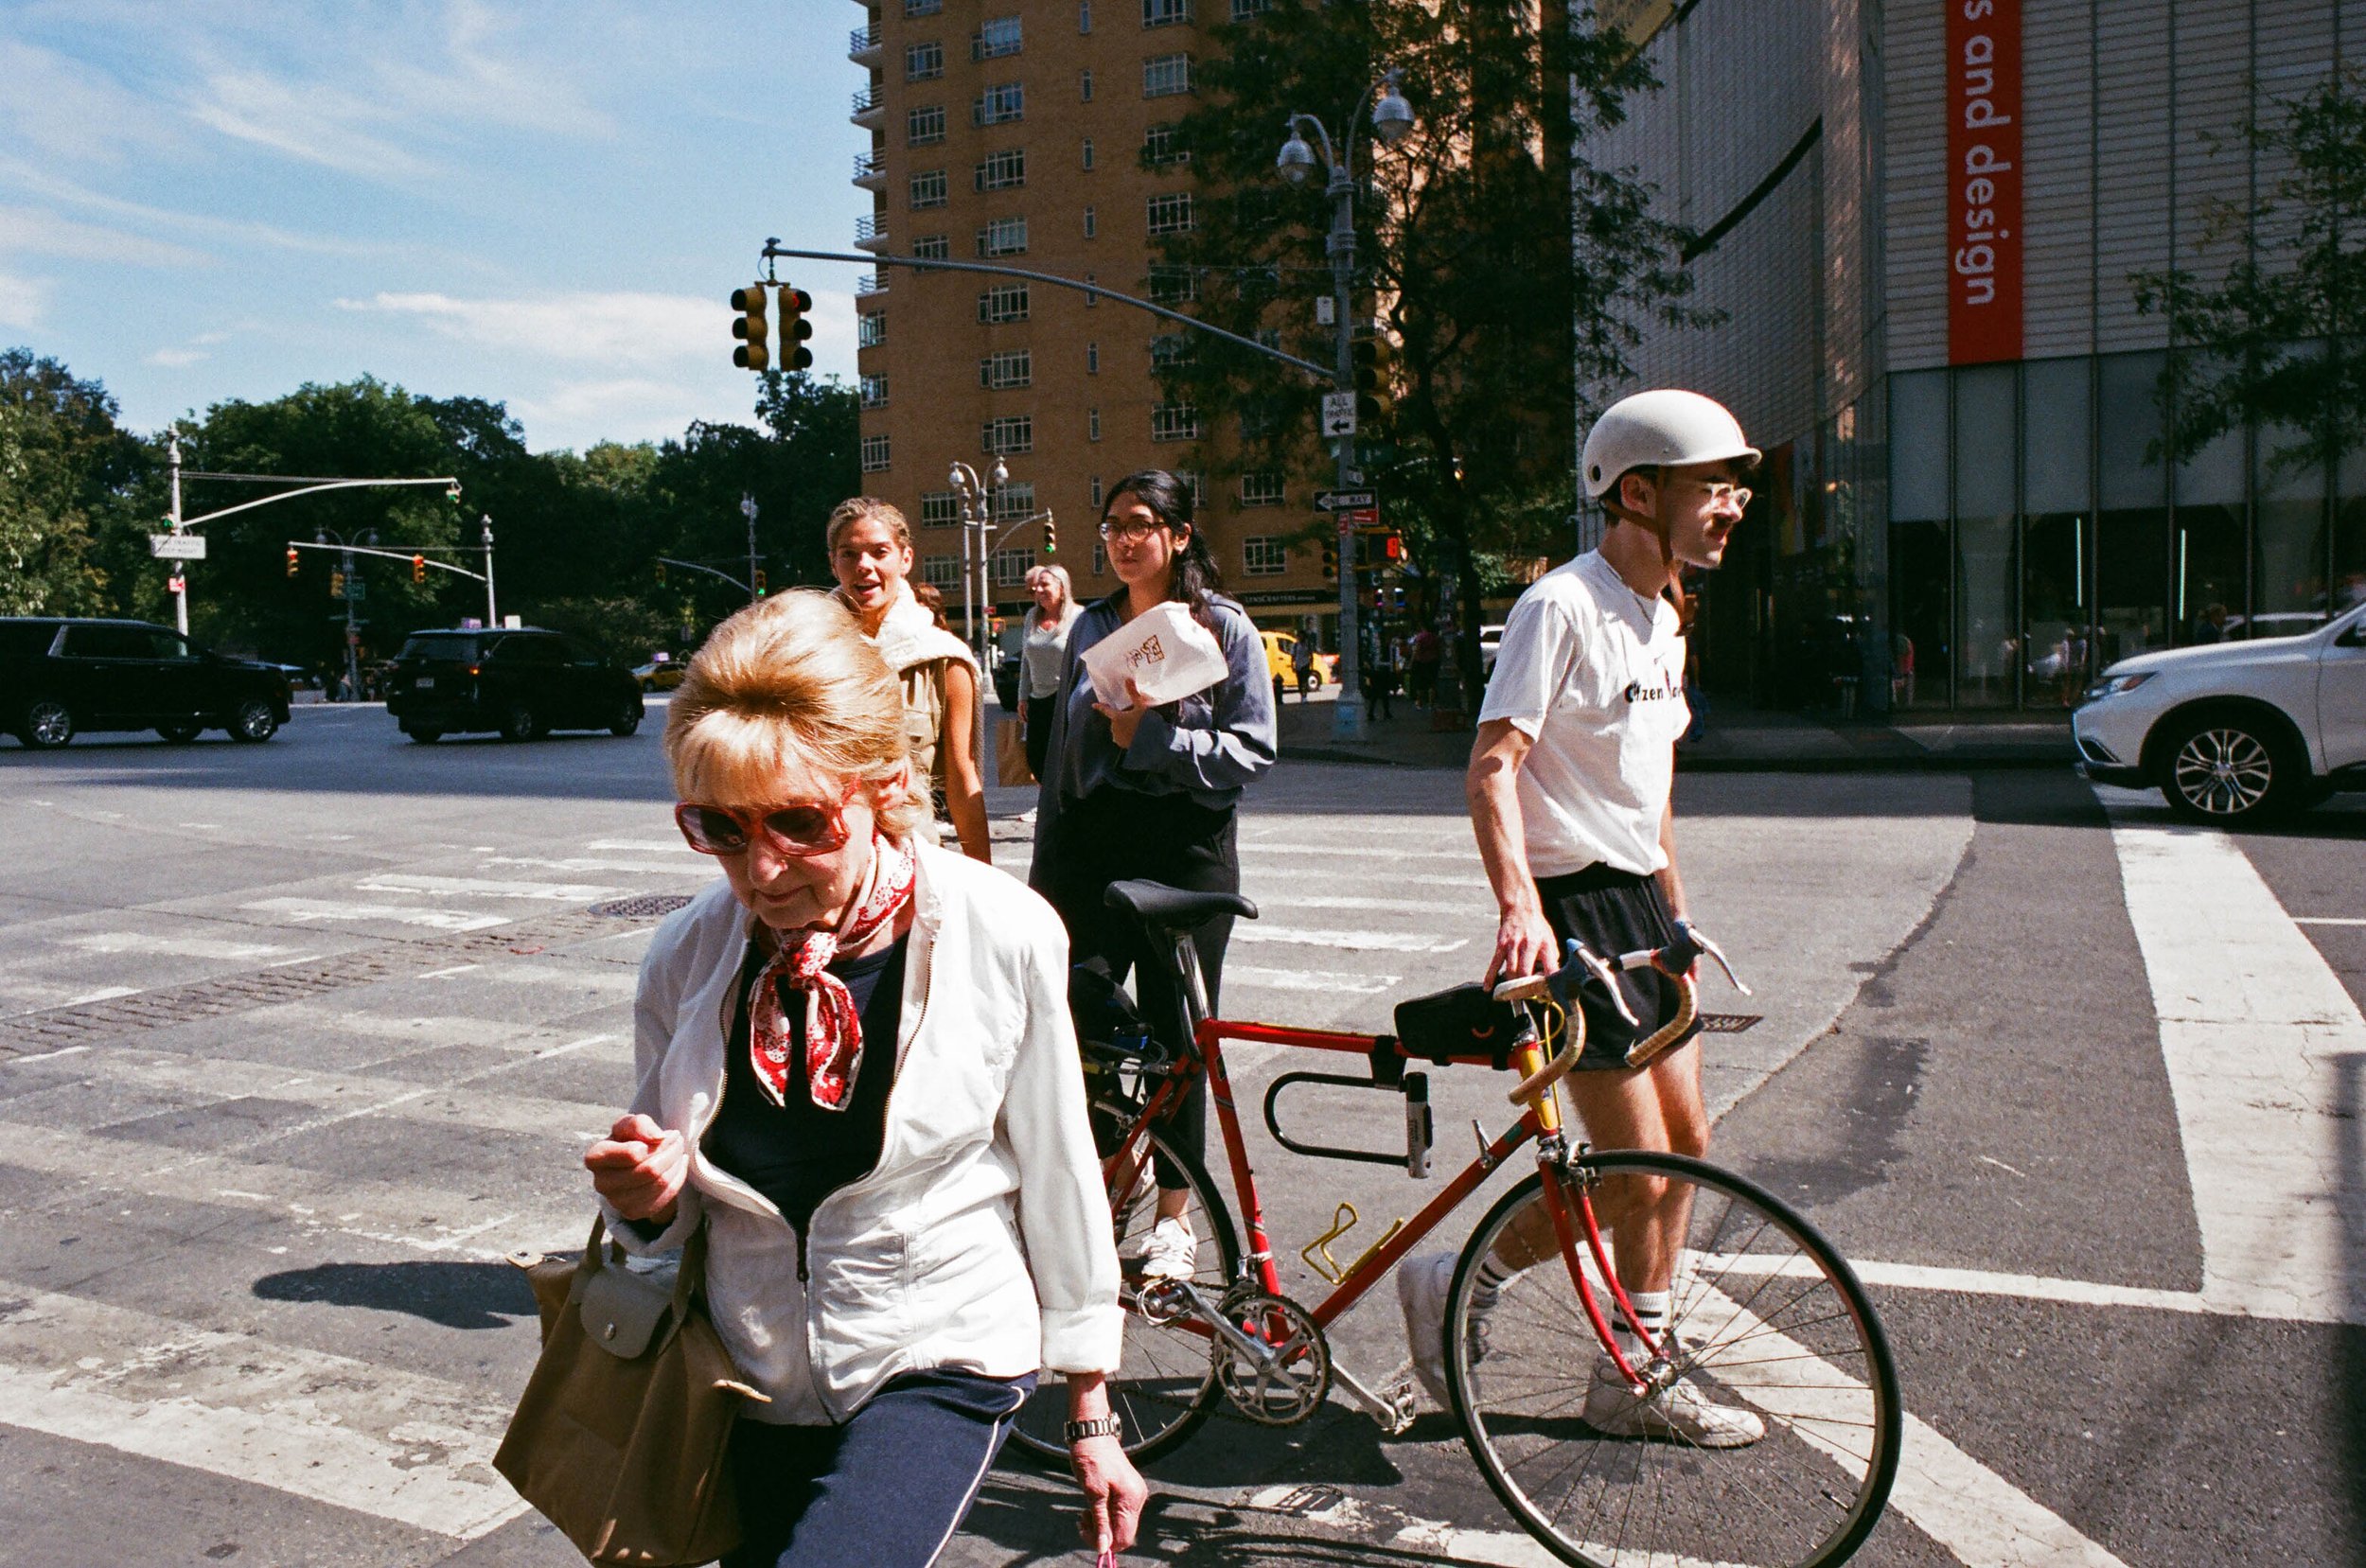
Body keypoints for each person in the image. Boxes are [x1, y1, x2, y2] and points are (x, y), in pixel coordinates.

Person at [581, 591, 1146, 1568]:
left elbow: (1059, 1168)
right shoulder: (686, 959)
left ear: (882, 786)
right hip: (752, 1370)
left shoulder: (996, 930)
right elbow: (666, 1219)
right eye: (719, 827)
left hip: (939, 1351)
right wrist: (643, 1204)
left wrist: (1091, 1409)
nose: (761, 870)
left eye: (800, 822)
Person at [1400, 388, 1767, 1448]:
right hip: (1571, 908)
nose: (1732, 504)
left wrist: (1679, 911)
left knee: (1687, 1145)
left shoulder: (1666, 615)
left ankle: (1634, 1372)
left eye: (1736, 485)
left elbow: (1651, 785)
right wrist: (1520, 907)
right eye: (1712, 485)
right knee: (1632, 1169)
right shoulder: (1559, 606)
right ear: (1638, 493)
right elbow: (1491, 768)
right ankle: (1457, 1278)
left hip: (1642, 900)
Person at [1031, 469, 1276, 1279]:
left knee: (1181, 1037)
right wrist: (1048, 864)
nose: (1124, 539)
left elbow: (1253, 749)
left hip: (1188, 851)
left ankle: (1174, 1219)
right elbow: (1067, 752)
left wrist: (1152, 737)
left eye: (1140, 523)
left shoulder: (1227, 628)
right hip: (1094, 848)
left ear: (1177, 534)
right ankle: (1102, 1188)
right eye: (1111, 526)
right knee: (1087, 1028)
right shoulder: (1090, 625)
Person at [826, 497, 991, 863]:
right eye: (849, 554)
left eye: (879, 552)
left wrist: (982, 880)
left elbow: (962, 783)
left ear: (906, 559)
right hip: (823, 865)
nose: (864, 566)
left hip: (912, 866)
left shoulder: (944, 660)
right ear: (833, 563)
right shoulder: (807, 652)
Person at [1021, 563, 1084, 783]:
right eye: (1036, 586)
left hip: (1066, 698)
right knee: (1036, 758)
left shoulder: (1079, 617)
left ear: (1062, 588)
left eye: (1044, 585)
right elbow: (1025, 661)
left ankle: (1062, 805)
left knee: (1065, 757)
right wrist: (1022, 696)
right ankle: (1049, 799)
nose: (1038, 590)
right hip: (1037, 699)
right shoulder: (1032, 616)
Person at [1407, 625, 1441, 707]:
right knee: (1431, 683)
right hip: (1433, 661)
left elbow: (1416, 650)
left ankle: (1419, 702)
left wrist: (1411, 662)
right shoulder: (1434, 637)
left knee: (1420, 683)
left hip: (1421, 662)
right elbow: (1438, 650)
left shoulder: (1420, 637)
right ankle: (1431, 702)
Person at [1291, 630, 1315, 701]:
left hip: (1305, 664)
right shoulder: (1295, 645)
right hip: (1298, 665)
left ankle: (1305, 696)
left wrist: (1311, 665)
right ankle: (1302, 694)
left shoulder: (1308, 645)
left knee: (1304, 680)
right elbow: (1293, 656)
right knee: (1300, 681)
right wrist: (1292, 665)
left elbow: (1311, 655)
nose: (1301, 637)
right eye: (1299, 636)